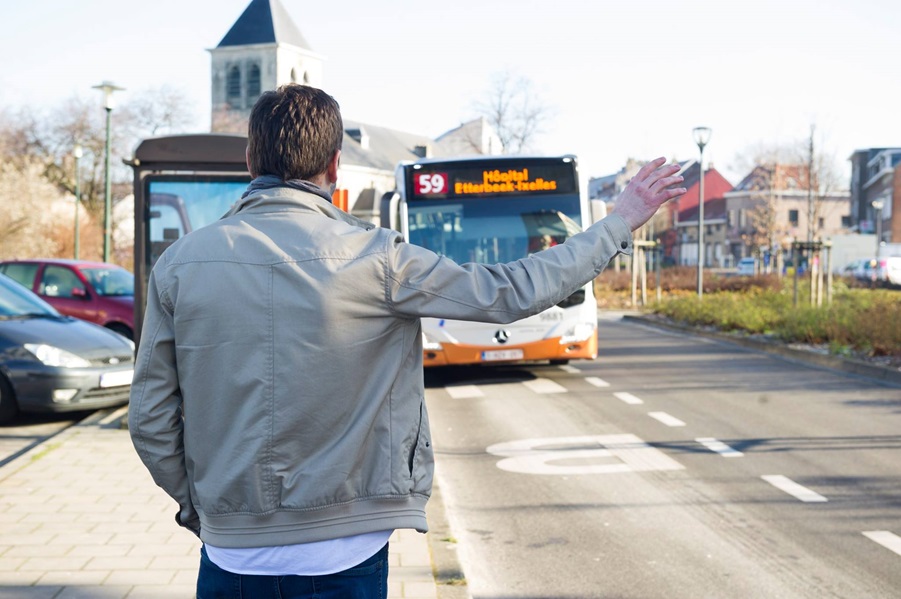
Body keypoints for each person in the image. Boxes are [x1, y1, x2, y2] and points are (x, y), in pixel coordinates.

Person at [128, 83, 685, 599]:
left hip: (231, 556)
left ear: (251, 161)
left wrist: (204, 512)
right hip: (344, 551)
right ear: (334, 166)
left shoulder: (178, 266)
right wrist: (618, 223)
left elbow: (150, 421)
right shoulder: (378, 258)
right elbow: (508, 292)